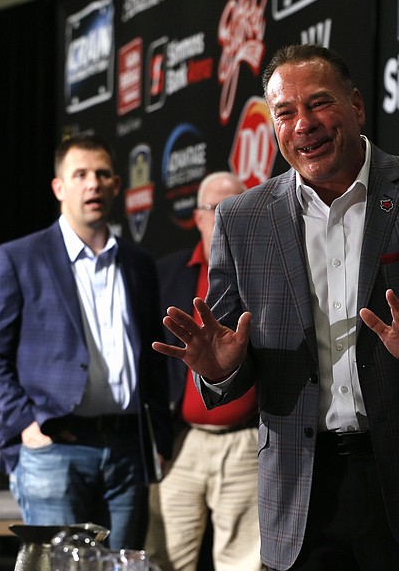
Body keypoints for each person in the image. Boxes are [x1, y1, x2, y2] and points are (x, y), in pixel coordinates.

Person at [153, 43, 399, 571]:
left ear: (357, 106)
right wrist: (220, 371)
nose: (303, 124)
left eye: (318, 104)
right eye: (285, 112)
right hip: (300, 493)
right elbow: (233, 349)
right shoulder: (243, 218)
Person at [0, 133, 172, 550]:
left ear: (117, 184)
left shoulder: (140, 265)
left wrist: (160, 441)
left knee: (122, 565)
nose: (92, 183)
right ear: (60, 187)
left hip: (126, 450)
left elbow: (154, 358)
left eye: (102, 174)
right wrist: (25, 424)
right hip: (54, 447)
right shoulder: (18, 258)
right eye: (80, 174)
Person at [154, 171, 262, 571]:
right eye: (216, 209)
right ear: (197, 217)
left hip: (246, 442)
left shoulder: (266, 274)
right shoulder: (166, 273)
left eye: (236, 207)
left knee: (244, 563)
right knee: (164, 557)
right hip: (183, 444)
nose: (225, 216)